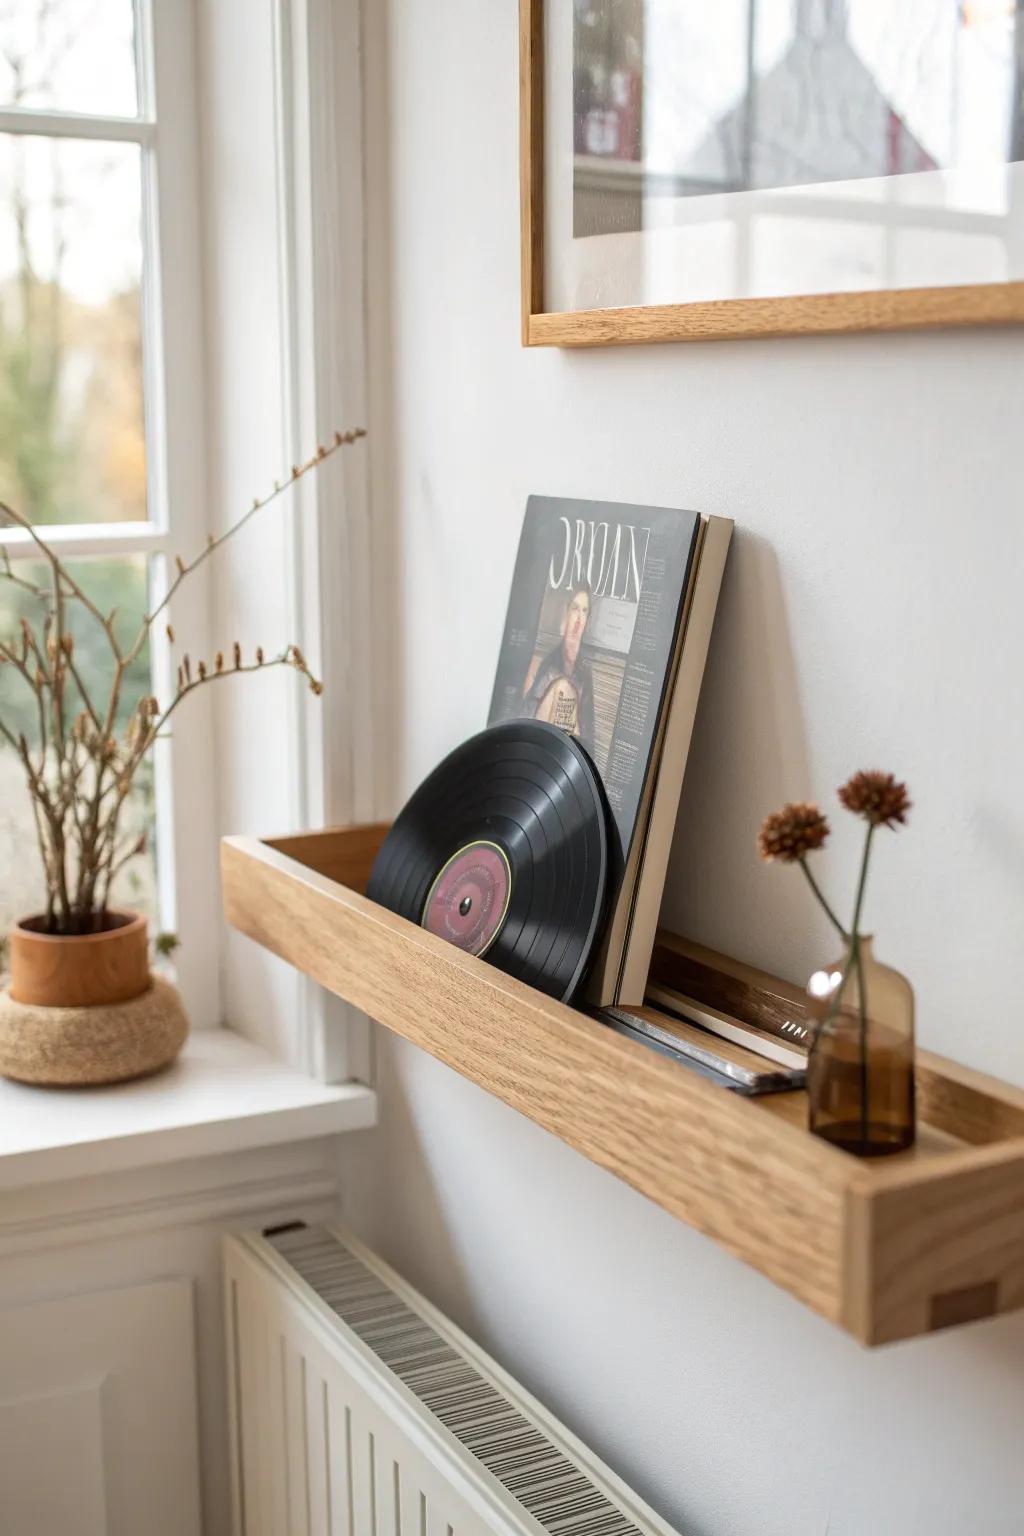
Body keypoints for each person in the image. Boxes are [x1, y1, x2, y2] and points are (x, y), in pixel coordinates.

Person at [522, 582, 595, 755]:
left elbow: (588, 735)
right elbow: (529, 715)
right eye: (575, 608)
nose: (578, 619)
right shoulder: (548, 662)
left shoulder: (585, 672)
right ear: (566, 613)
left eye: (584, 611)